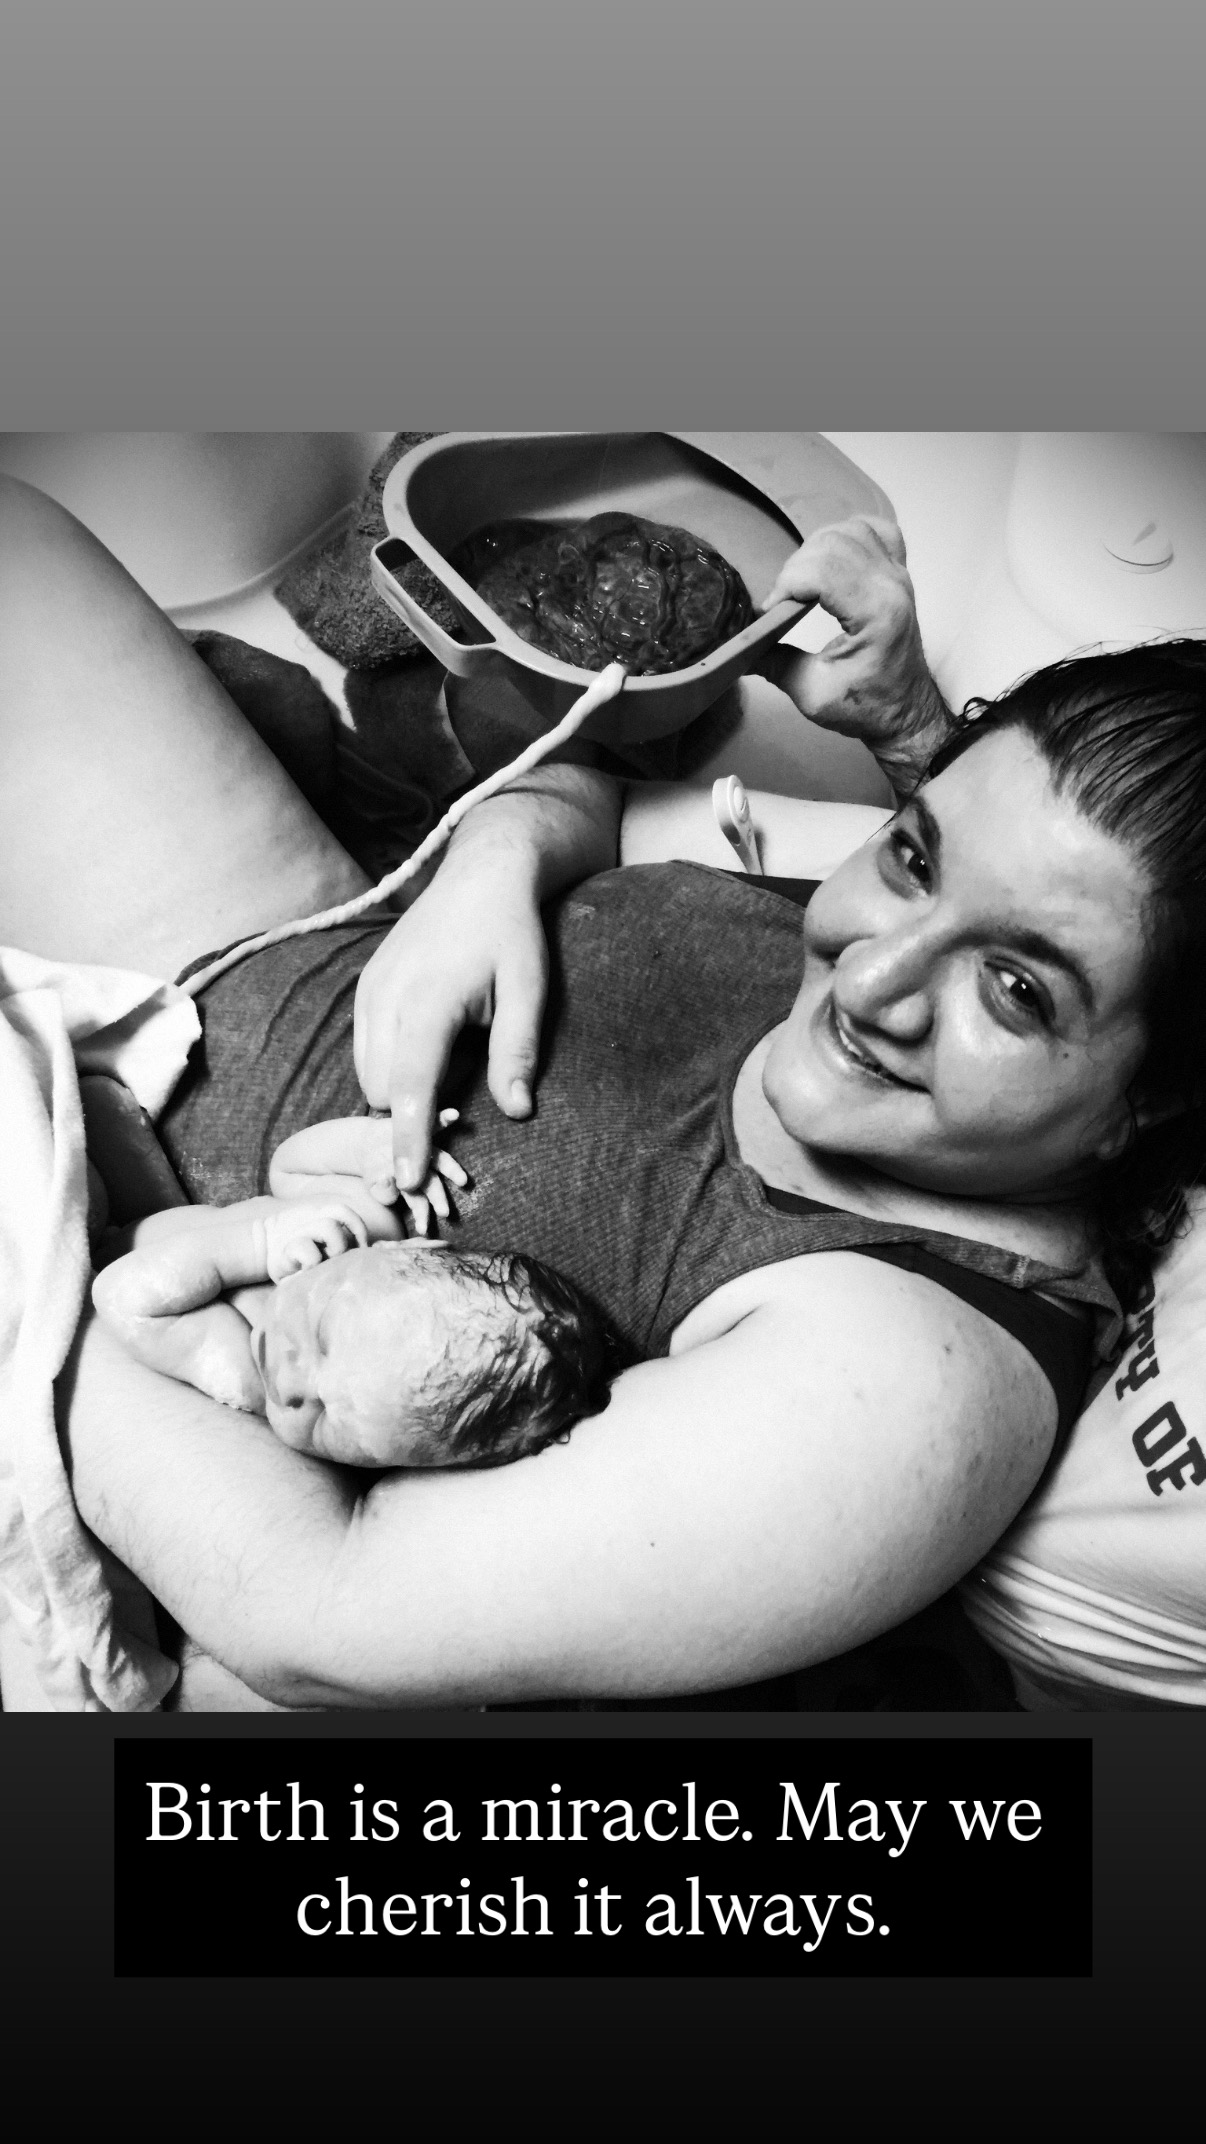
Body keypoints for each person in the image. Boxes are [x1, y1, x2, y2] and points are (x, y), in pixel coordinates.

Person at [5, 475, 1202, 1712]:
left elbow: (312, 1606)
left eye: (1016, 991)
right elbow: (604, 799)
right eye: (912, 855)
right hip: (255, 959)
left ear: (1155, 1096)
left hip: (145, 1319)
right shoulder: (913, 910)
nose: (869, 976)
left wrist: (40, 1256)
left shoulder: (914, 1374)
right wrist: (495, 861)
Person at [91, 1110, 615, 1471]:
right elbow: (288, 1166)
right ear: (407, 1249)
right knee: (98, 1108)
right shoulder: (359, 1226)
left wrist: (260, 1242)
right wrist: (368, 1146)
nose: (293, 1384)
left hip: (88, 1257)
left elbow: (123, 1296)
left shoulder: (244, 1369)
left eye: (328, 1422)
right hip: (144, 1201)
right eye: (322, 1334)